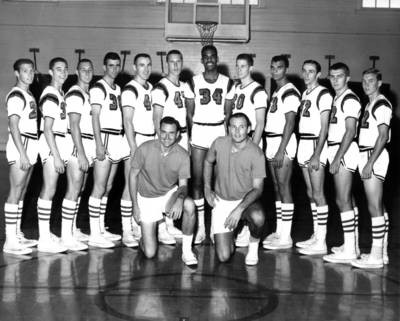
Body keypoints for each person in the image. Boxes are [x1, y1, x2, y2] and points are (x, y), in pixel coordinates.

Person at [129, 116, 197, 266]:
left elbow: (183, 185)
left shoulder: (183, 155)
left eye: (171, 133)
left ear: (178, 134)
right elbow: (133, 176)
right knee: (150, 253)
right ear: (158, 131)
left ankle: (187, 251)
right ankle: (146, 235)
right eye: (164, 132)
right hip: (146, 197)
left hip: (168, 194)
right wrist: (135, 205)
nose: (167, 137)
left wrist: (179, 199)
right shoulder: (144, 148)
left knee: (190, 205)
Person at [187, 45, 235, 244]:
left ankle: (216, 226)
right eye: (205, 57)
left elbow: (228, 114)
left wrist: (225, 137)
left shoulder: (228, 82)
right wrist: (192, 135)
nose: (209, 59)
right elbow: (189, 113)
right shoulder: (193, 81)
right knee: (198, 181)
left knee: (218, 181)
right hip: (199, 130)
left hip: (218, 131)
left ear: (217, 58)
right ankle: (200, 227)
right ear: (201, 59)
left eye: (212, 56)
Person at [203, 112, 266, 265]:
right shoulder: (219, 143)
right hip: (222, 201)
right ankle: (231, 231)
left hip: (245, 202)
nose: (237, 132)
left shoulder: (256, 153)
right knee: (224, 256)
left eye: (242, 127)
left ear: (249, 129)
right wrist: (206, 187)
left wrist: (238, 210)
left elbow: (258, 189)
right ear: (228, 129)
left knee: (258, 217)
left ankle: (252, 246)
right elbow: (207, 162)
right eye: (234, 127)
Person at [351, 68, 391, 269]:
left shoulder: (382, 103)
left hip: (372, 156)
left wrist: (369, 163)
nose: (367, 84)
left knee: (373, 206)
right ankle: (381, 252)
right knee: (378, 205)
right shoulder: (370, 103)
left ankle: (376, 256)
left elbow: (383, 136)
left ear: (379, 82)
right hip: (366, 154)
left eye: (371, 81)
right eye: (364, 81)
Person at [152, 49, 194, 239]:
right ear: (166, 64)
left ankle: (169, 223)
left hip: (182, 137)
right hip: (168, 138)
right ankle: (161, 227)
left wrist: (189, 139)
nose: (175, 65)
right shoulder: (161, 87)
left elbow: (188, 115)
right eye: (172, 62)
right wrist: (160, 143)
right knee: (164, 180)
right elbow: (157, 118)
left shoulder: (184, 86)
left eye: (178, 61)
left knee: (178, 182)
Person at [323, 62, 361, 264]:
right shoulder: (337, 98)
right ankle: (351, 244)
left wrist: (338, 157)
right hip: (336, 148)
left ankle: (350, 249)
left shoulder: (350, 98)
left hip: (344, 149)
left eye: (339, 76)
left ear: (347, 77)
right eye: (332, 76)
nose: (335, 80)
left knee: (342, 199)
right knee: (348, 199)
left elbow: (350, 131)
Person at [263, 55, 301, 250]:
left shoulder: (290, 92)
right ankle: (279, 231)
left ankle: (286, 237)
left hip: (282, 142)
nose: (275, 70)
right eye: (273, 67)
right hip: (272, 141)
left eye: (279, 67)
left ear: (286, 69)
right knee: (277, 187)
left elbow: (290, 122)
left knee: (284, 187)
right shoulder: (278, 90)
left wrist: (280, 150)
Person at [230, 53, 268, 248]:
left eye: (243, 66)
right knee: (238, 185)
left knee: (250, 187)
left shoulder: (258, 91)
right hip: (237, 143)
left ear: (251, 68)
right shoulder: (237, 88)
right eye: (237, 66)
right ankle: (240, 224)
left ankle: (247, 228)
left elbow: (260, 123)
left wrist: (251, 148)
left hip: (251, 142)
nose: (239, 69)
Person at [296, 60, 332, 255]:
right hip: (303, 142)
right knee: (310, 193)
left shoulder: (324, 93)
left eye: (312, 72)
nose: (308, 74)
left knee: (318, 193)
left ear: (318, 74)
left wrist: (317, 154)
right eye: (305, 71)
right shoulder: (305, 93)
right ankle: (316, 235)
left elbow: (325, 126)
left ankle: (322, 241)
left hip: (315, 144)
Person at [87, 52, 124, 248]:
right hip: (105, 137)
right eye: (111, 65)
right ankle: (94, 233)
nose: (114, 68)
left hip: (116, 137)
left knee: (108, 187)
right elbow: (94, 117)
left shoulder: (117, 88)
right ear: (104, 67)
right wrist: (99, 144)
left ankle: (100, 228)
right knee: (99, 187)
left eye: (117, 65)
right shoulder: (98, 88)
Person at [3, 58, 39, 255]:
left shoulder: (28, 93)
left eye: (32, 70)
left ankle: (16, 233)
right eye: (25, 71)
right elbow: (14, 126)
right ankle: (9, 241)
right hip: (21, 145)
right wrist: (23, 154)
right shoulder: (16, 95)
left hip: (30, 143)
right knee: (15, 192)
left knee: (23, 191)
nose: (30, 74)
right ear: (17, 73)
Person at [61, 59, 97, 251]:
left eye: (90, 70)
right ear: (77, 72)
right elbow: (74, 125)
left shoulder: (87, 94)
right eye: (83, 70)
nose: (87, 72)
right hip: (78, 145)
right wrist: (81, 153)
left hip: (87, 144)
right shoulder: (75, 93)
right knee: (73, 189)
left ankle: (72, 229)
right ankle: (66, 236)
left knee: (80, 188)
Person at [120, 53, 154, 248]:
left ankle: (137, 224)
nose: (146, 69)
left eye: (148, 65)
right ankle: (126, 230)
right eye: (142, 65)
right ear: (134, 68)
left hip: (149, 139)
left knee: (143, 186)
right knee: (129, 185)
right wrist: (134, 148)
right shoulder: (130, 90)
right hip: (136, 139)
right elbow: (127, 120)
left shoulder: (149, 88)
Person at [37, 57, 69, 253]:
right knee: (48, 189)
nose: (63, 73)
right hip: (51, 142)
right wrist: (56, 156)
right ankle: (43, 239)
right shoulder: (50, 94)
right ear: (50, 72)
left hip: (60, 141)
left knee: (52, 189)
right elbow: (48, 129)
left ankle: (46, 234)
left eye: (65, 69)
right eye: (58, 69)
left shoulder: (60, 92)